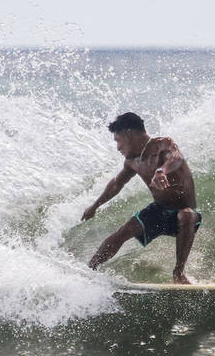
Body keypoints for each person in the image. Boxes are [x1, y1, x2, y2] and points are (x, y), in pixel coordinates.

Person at [82, 112, 201, 284]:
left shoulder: (163, 144)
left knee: (187, 214)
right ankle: (88, 271)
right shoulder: (132, 161)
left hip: (184, 211)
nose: (118, 147)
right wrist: (95, 206)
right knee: (122, 233)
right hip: (159, 210)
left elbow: (177, 158)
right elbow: (117, 183)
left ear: (129, 133)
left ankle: (178, 273)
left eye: (118, 140)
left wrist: (162, 171)